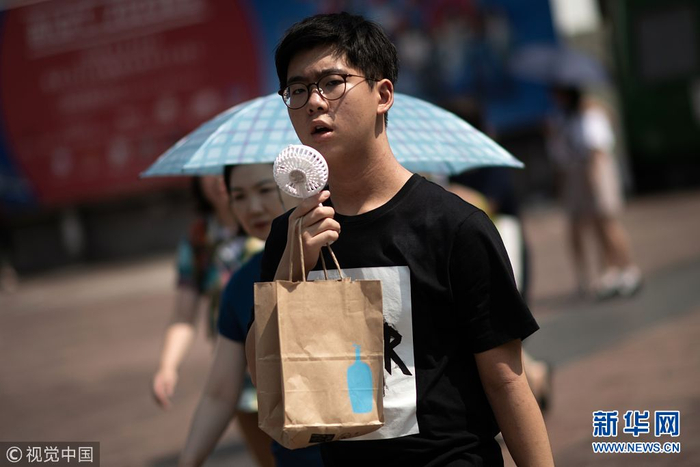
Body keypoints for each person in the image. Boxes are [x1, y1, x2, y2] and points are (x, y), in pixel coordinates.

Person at [246, 12, 554, 466]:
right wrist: (290, 272)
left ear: (383, 94)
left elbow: (506, 381)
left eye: (331, 83)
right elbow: (261, 373)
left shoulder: (455, 227)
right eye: (297, 90)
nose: (313, 102)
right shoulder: (291, 233)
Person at [179, 164, 323, 467]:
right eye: (239, 196)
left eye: (265, 190)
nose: (253, 208)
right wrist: (189, 461)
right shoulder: (241, 282)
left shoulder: (345, 257)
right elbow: (220, 393)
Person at [151, 176, 271, 464]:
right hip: (237, 376)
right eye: (210, 171)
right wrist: (168, 366)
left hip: (292, 367)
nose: (219, 177)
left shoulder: (276, 225)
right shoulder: (200, 240)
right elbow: (183, 315)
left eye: (264, 189)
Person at [547, 86, 642, 299]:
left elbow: (597, 150)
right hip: (575, 172)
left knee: (606, 223)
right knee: (586, 226)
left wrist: (594, 179)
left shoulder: (590, 115)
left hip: (595, 171)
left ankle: (628, 268)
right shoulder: (561, 119)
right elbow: (559, 154)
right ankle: (605, 272)